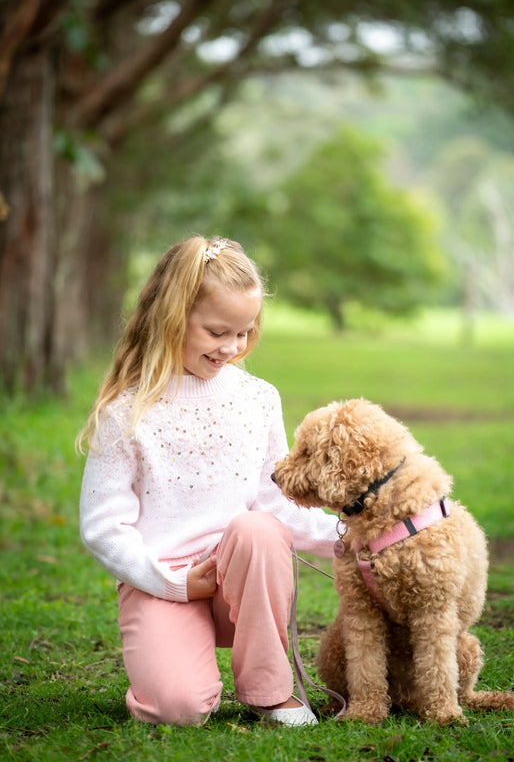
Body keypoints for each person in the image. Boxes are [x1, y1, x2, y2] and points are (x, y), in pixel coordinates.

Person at [78, 235, 338, 728]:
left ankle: (269, 690)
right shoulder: (126, 412)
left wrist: (347, 539)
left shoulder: (258, 398)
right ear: (173, 318)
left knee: (258, 530)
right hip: (162, 582)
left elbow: (274, 502)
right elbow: (102, 527)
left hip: (241, 578)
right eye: (218, 331)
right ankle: (181, 673)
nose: (233, 348)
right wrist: (173, 583)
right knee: (175, 711)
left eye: (244, 333)